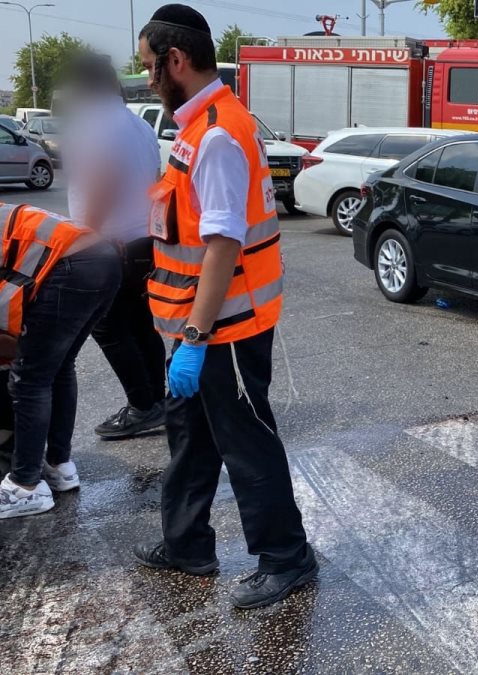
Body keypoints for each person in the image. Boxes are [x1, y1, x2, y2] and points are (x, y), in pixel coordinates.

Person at [131, 4, 316, 610]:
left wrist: (193, 334)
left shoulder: (214, 133)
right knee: (191, 434)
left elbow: (222, 244)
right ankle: (186, 543)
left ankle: (287, 557)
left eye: (150, 67)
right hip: (202, 324)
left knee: (246, 440)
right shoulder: (200, 124)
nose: (148, 79)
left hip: (223, 326)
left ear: (175, 61)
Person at [61, 52, 168, 440]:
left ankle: (143, 405)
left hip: (110, 242)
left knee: (107, 327)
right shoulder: (137, 125)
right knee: (142, 325)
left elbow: (102, 181)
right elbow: (155, 179)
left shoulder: (93, 125)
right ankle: (158, 401)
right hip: (144, 238)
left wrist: (82, 239)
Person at [0, 202, 120, 519]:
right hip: (101, 258)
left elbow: (8, 341)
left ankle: (24, 486)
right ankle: (59, 467)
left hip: (71, 268)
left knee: (30, 379)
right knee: (58, 366)